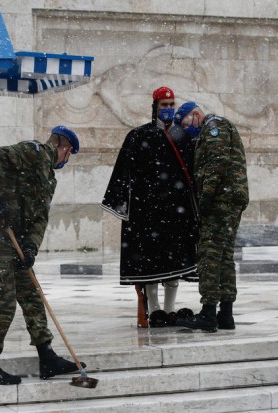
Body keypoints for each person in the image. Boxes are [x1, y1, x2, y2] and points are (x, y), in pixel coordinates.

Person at [0, 126, 86, 385]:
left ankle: (47, 357)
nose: (67, 159)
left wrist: (31, 247)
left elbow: (39, 218)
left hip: (14, 239)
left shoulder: (49, 180)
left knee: (31, 293)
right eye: (69, 153)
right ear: (64, 148)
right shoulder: (33, 152)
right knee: (4, 299)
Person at [102, 86, 199, 328]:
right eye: (164, 105)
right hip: (148, 211)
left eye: (171, 105)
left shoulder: (183, 136)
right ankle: (154, 310)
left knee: (176, 262)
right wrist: (122, 203)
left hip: (178, 211)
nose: (168, 109)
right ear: (155, 106)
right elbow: (123, 170)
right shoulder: (138, 136)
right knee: (151, 264)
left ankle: (169, 309)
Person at [173, 102, 249, 332]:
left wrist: (206, 197)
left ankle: (208, 312)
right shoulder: (214, 128)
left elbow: (217, 163)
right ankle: (225, 314)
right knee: (224, 256)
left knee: (209, 255)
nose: (188, 130)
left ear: (196, 115)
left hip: (220, 201)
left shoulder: (214, 127)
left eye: (187, 124)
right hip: (228, 199)